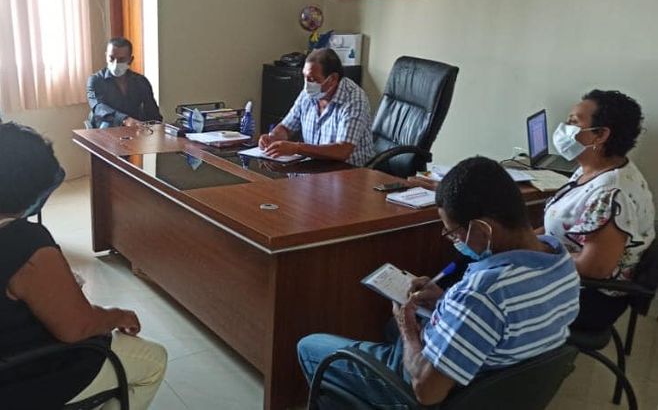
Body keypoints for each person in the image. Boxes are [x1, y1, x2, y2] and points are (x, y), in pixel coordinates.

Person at [0, 123, 166, 409]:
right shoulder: (24, 243)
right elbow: (77, 328)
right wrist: (118, 315)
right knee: (154, 360)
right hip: (14, 377)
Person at [297, 157, 580, 408]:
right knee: (391, 327)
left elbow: (427, 392)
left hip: (441, 392)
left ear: (483, 228)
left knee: (311, 346)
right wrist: (445, 301)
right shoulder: (560, 258)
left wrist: (408, 328)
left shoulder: (482, 293)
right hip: (501, 385)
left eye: (453, 232)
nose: (454, 240)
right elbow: (500, 321)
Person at [542, 90, 655, 331]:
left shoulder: (611, 193)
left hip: (588, 298)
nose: (564, 128)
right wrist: (523, 240)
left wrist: (535, 252)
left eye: (574, 122)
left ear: (601, 135)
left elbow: (594, 268)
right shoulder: (594, 168)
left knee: (492, 289)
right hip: (569, 278)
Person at [258, 48, 373, 166]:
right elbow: (286, 127)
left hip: (348, 171)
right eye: (305, 77)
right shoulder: (308, 94)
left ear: (333, 79)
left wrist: (297, 148)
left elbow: (342, 151)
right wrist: (273, 137)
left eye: (312, 79)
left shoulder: (354, 100)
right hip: (313, 167)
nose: (307, 84)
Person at [87, 37, 162, 128]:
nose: (115, 63)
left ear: (130, 60)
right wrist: (124, 119)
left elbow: (152, 111)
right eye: (111, 58)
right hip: (106, 126)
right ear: (106, 56)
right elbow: (99, 107)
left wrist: (159, 128)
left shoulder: (141, 81)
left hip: (134, 128)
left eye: (121, 59)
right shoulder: (96, 80)